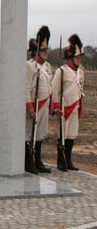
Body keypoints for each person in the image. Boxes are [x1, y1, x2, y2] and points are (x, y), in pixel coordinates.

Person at [52, 34, 84, 172]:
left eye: (79, 57)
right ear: (70, 58)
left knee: (71, 135)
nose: (79, 59)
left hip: (75, 107)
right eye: (77, 57)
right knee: (62, 136)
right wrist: (56, 106)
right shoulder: (61, 71)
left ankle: (69, 160)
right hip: (64, 108)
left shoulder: (81, 73)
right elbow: (55, 90)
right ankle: (61, 161)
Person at [25, 26, 52, 174]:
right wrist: (29, 106)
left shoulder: (47, 66)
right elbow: (26, 88)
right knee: (30, 134)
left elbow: (49, 85)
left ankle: (38, 160)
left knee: (40, 133)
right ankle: (29, 162)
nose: (46, 53)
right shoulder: (29, 66)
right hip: (34, 105)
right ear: (36, 52)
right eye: (43, 50)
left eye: (46, 50)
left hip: (44, 104)